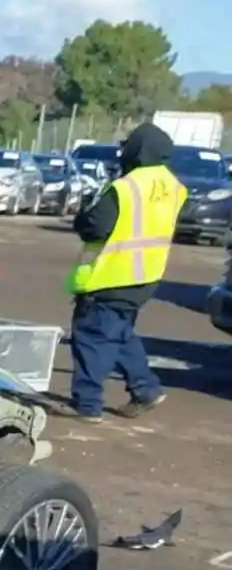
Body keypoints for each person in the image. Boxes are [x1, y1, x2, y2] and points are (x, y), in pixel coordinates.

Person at [65, 121, 186, 418]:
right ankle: (146, 390)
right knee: (120, 334)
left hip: (112, 274)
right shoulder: (172, 186)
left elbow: (96, 227)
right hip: (145, 276)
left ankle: (88, 405)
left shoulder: (126, 186)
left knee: (90, 337)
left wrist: (82, 217)